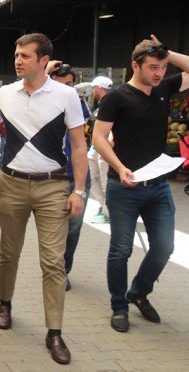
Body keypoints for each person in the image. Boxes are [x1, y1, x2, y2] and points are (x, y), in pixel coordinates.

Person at [0, 33, 87, 364]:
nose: (18, 60)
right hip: (10, 184)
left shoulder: (66, 96)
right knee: (8, 252)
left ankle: (54, 332)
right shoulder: (5, 94)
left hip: (54, 187)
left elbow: (79, 146)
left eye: (25, 55)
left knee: (53, 261)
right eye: (16, 54)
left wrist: (79, 190)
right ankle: (4, 303)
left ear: (43, 60)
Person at [93, 35, 189, 333]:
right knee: (121, 249)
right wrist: (119, 168)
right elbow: (97, 138)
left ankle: (139, 292)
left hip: (158, 186)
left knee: (164, 247)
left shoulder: (164, 88)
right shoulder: (116, 97)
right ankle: (119, 305)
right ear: (136, 65)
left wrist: (167, 53)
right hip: (125, 187)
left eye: (162, 67)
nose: (159, 73)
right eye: (153, 67)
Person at [47, 61, 92, 291]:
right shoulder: (42, 104)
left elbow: (80, 144)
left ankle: (63, 270)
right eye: (62, 85)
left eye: (71, 84)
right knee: (54, 229)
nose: (68, 90)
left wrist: (81, 187)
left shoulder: (79, 105)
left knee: (73, 230)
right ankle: (53, 270)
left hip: (76, 176)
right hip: (52, 178)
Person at [87, 76, 113, 224]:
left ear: (99, 88)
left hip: (104, 150)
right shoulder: (101, 105)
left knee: (106, 182)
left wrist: (107, 149)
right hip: (94, 148)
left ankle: (108, 213)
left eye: (93, 88)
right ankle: (104, 206)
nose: (92, 92)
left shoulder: (111, 104)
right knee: (92, 179)